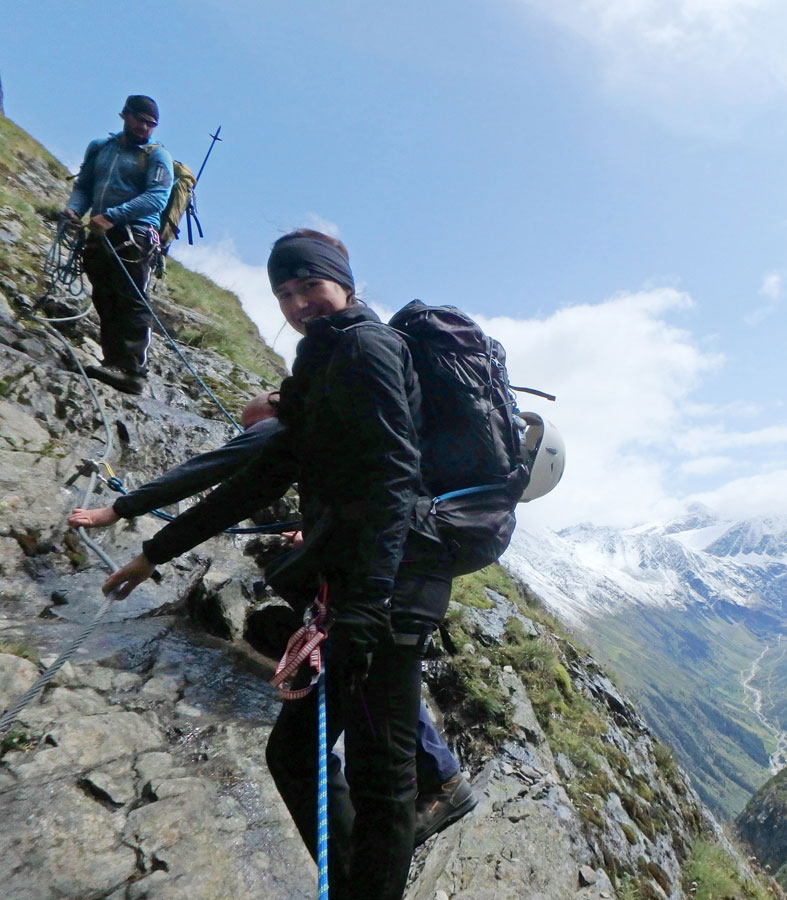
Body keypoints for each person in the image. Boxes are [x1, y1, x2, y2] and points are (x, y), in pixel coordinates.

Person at [103, 229, 470, 897]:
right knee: (297, 754)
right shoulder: (320, 363)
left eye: (311, 286)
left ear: (345, 285)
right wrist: (152, 551)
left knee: (382, 778)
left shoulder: (366, 347)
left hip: (387, 593)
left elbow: (394, 478)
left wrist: (365, 608)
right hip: (354, 589)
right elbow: (259, 476)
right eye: (286, 293)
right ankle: (357, 880)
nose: (300, 302)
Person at [76, 384, 477, 858]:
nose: (249, 437)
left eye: (250, 428)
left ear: (272, 408)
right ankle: (428, 790)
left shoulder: (282, 425)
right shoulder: (357, 420)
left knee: (314, 732)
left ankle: (412, 810)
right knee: (371, 676)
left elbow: (215, 477)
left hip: (369, 585)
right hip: (402, 568)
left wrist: (122, 513)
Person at [63, 94, 173, 395]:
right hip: (101, 234)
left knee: (131, 298)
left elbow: (157, 198)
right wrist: (74, 209)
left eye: (152, 124)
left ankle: (132, 370)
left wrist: (111, 216)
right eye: (140, 120)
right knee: (105, 296)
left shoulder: (156, 156)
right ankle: (113, 363)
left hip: (134, 235)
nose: (145, 128)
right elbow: (84, 186)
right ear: (124, 115)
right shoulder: (101, 148)